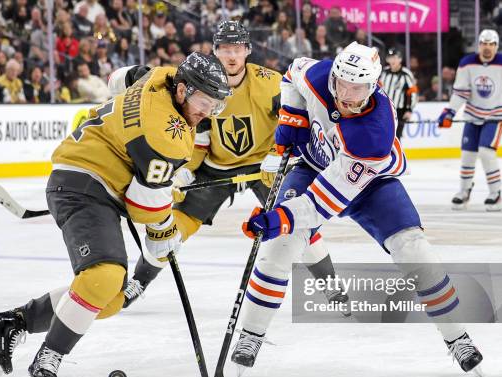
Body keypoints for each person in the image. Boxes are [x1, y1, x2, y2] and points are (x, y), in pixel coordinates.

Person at [0, 52, 232, 377]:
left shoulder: (159, 76)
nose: (206, 113)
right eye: (203, 102)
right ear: (182, 90)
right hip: (84, 183)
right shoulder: (167, 136)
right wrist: (164, 230)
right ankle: (49, 357)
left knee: (107, 299)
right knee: (104, 276)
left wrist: (162, 177)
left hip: (94, 180)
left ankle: (8, 323)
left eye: (214, 106)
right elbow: (142, 206)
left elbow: (118, 79)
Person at [233, 42, 484, 376]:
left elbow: (322, 204)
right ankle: (251, 334)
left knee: (415, 251)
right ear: (333, 75)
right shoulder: (320, 75)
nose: (346, 96)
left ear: (374, 86)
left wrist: (279, 218)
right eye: (341, 85)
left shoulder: (373, 134)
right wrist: (292, 115)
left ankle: (457, 336)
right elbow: (293, 73)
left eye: (358, 88)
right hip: (313, 165)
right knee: (280, 248)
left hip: (371, 183)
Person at [107, 21, 338, 308]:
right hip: (216, 166)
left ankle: (331, 285)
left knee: (297, 222)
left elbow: (301, 115)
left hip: (264, 167)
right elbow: (192, 133)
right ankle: (138, 282)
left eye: (238, 48)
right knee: (173, 228)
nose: (231, 56)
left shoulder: (268, 83)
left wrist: (280, 154)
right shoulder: (199, 80)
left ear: (248, 51)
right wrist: (181, 171)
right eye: (225, 49)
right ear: (214, 51)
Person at [438, 29, 502, 211]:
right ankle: (464, 190)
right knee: (468, 155)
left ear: (496, 46)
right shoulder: (466, 64)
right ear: (478, 45)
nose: (487, 48)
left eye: (491, 44)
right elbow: (461, 92)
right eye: (484, 44)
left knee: (486, 152)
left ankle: (495, 193)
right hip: (473, 115)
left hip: (496, 116)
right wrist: (449, 111)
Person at [379, 48, 418, 139]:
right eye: (390, 57)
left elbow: (412, 92)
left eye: (395, 57)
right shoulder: (384, 73)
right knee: (383, 134)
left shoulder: (405, 74)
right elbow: (378, 89)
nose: (392, 60)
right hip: (384, 108)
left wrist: (409, 110)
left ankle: (396, 153)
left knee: (396, 136)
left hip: (399, 110)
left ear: (400, 59)